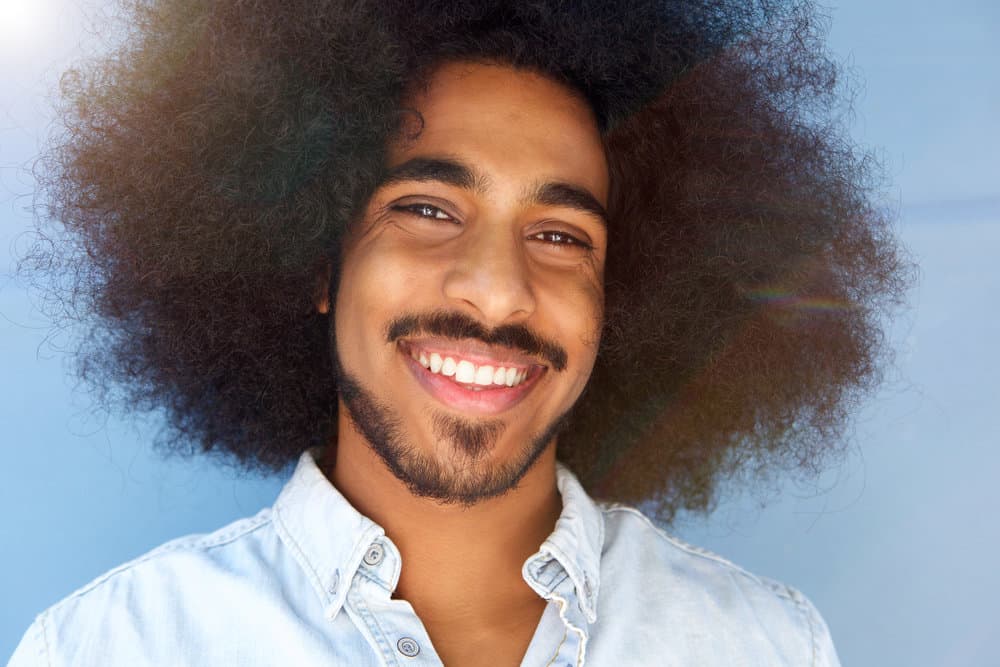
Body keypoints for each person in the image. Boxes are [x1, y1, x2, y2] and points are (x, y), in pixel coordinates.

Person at [10, 0, 908, 665]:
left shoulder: (762, 647)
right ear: (316, 261)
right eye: (429, 207)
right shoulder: (109, 647)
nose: (497, 292)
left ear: (622, 300)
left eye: (560, 235)